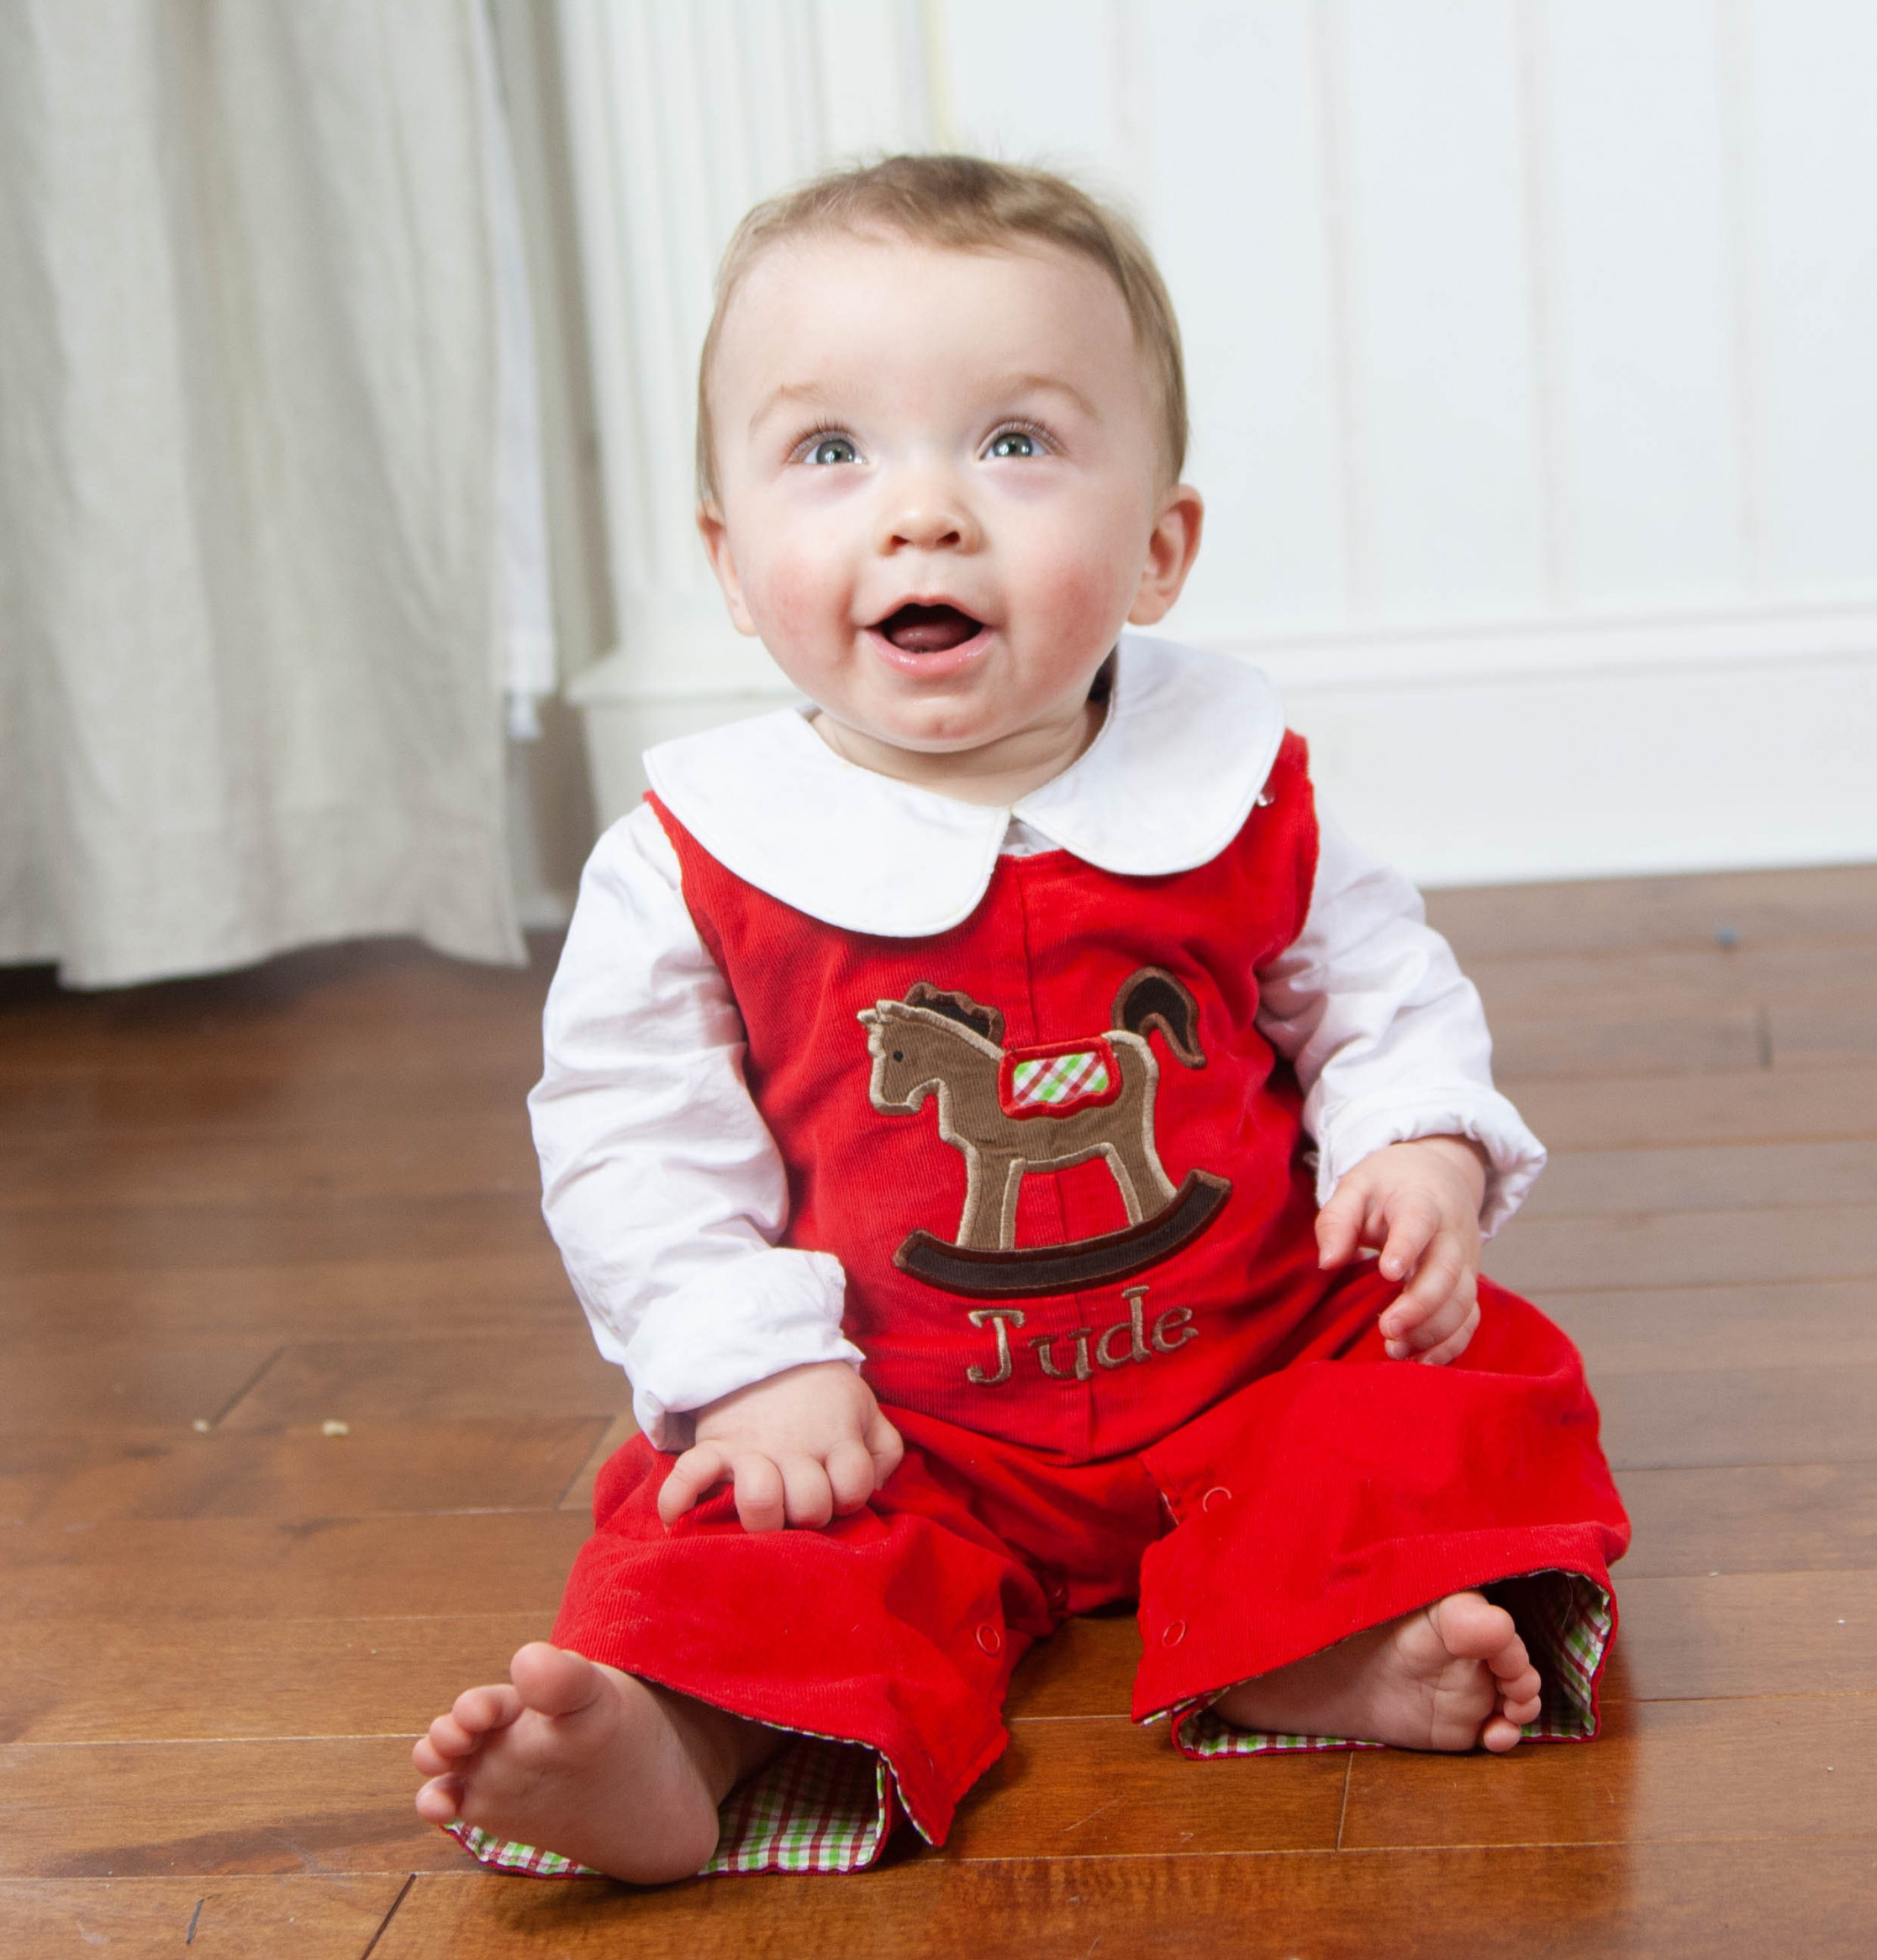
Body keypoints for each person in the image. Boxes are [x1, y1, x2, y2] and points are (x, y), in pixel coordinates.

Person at [413, 155, 1629, 1884]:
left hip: (1250, 1364)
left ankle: (1325, 1643)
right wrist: (756, 1365)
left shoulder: (1233, 783)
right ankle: (669, 1742)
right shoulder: (697, 859)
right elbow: (629, 1139)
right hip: (896, 1426)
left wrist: (1415, 1135)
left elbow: (1375, 979)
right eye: (830, 453)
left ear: (1160, 549)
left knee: (1444, 1394)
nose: (925, 514)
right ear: (733, 565)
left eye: (1013, 443)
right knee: (727, 1531)